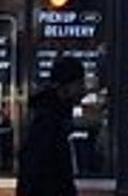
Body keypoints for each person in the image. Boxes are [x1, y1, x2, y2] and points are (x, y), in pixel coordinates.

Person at [16, 57, 85, 196]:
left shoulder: (49, 114)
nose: (82, 90)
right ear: (65, 86)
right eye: (79, 84)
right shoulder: (48, 121)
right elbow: (37, 171)